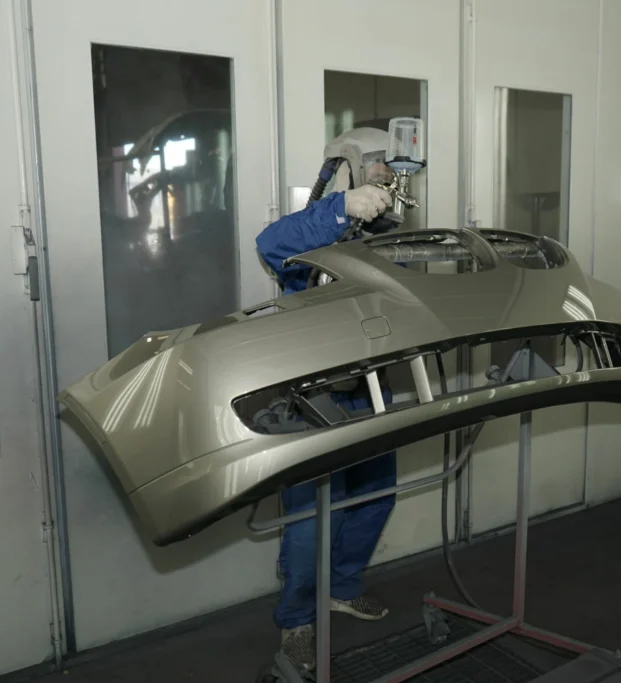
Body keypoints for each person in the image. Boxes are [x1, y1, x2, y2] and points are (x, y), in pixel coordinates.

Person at [255, 128, 398, 672]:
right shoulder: (317, 225)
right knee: (311, 518)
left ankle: (341, 587)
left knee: (375, 496)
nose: (388, 174)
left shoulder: (381, 232)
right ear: (350, 168)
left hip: (372, 388)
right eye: (380, 165)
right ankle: (297, 621)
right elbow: (271, 245)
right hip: (311, 399)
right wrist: (343, 207)